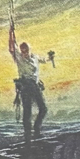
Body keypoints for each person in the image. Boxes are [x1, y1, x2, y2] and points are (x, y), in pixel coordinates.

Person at [9, 12, 47, 142]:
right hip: (25, 86)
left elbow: (43, 60)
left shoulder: (34, 57)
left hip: (35, 86)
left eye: (26, 50)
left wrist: (50, 58)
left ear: (29, 50)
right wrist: (11, 32)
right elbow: (11, 48)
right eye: (22, 50)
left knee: (43, 109)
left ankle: (36, 128)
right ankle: (28, 136)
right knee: (27, 112)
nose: (24, 52)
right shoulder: (19, 58)